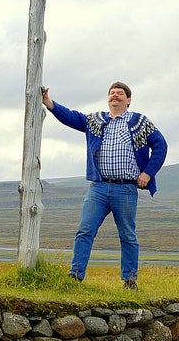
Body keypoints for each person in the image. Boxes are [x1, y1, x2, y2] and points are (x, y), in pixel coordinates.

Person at [42, 82, 167, 290]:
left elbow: (161, 145)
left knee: (127, 235)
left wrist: (148, 173)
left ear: (128, 100)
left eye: (120, 93)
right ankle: (75, 276)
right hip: (98, 187)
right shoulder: (95, 120)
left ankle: (129, 280)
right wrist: (49, 102)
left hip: (126, 188)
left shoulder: (140, 121)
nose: (115, 96)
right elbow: (73, 117)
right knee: (85, 230)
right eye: (111, 93)